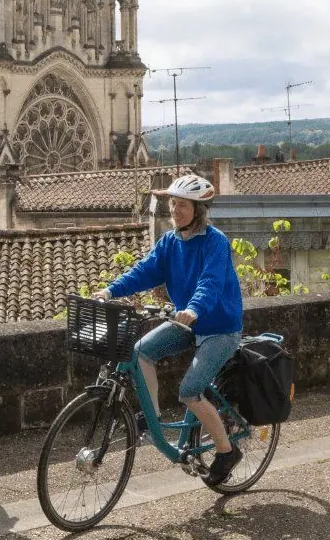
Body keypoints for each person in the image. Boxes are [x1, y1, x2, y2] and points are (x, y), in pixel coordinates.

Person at [96, 174, 247, 486]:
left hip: (219, 328)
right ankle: (151, 420)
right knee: (140, 353)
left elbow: (211, 283)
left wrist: (192, 309)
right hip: (187, 324)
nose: (175, 210)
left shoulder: (215, 242)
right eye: (173, 203)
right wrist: (110, 291)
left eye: (182, 205)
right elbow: (145, 271)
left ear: (198, 209)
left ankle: (226, 450)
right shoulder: (169, 242)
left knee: (190, 391)